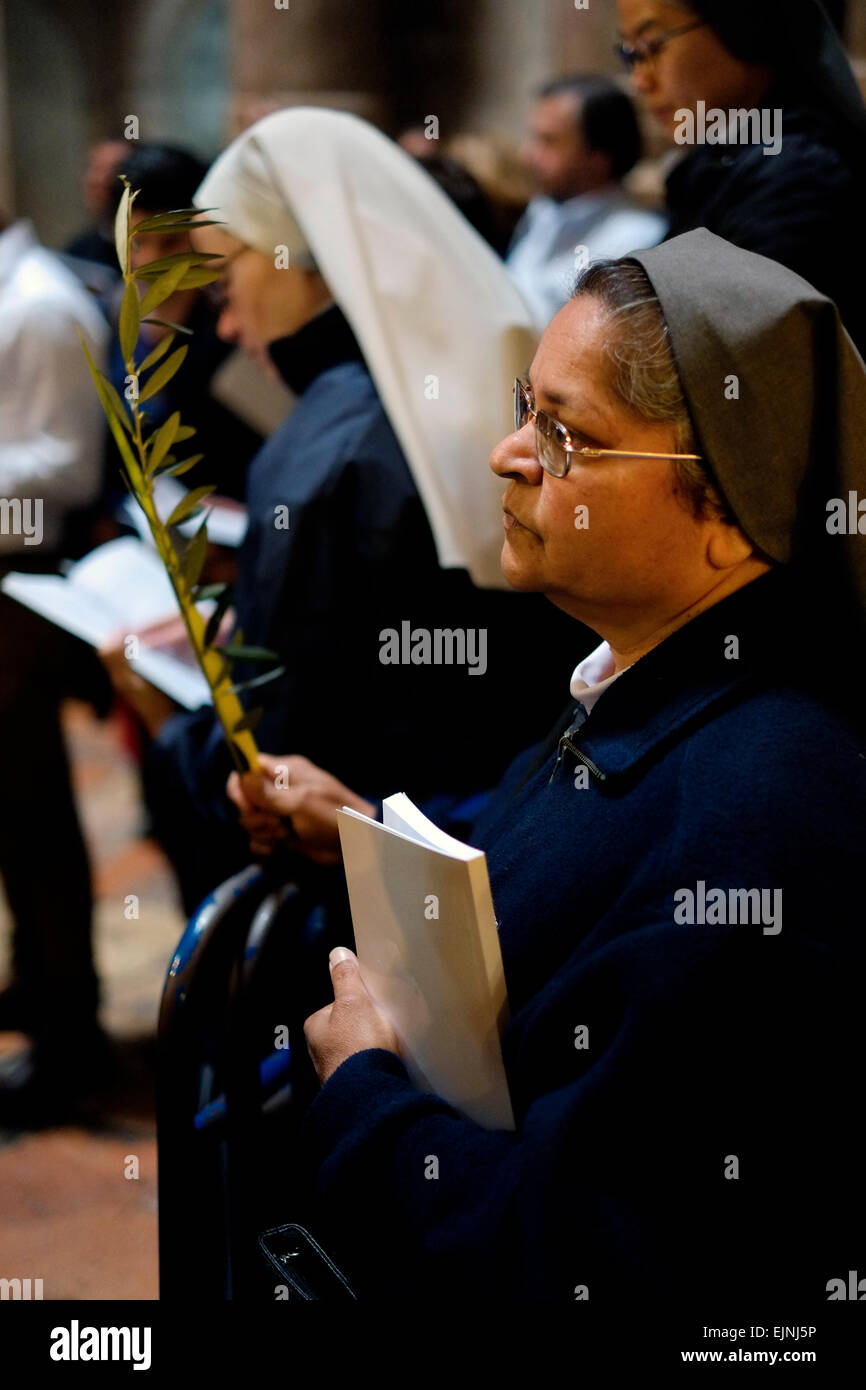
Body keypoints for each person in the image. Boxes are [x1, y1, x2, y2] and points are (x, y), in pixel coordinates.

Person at [229, 230, 866, 1305]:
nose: (506, 453)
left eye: (565, 435)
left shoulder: (751, 825)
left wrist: (366, 1092)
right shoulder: (654, 681)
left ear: (728, 514)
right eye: (528, 405)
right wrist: (367, 841)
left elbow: (582, 1260)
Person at [103, 109, 583, 915]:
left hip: (361, 883)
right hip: (516, 839)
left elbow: (286, 742)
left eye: (226, 282)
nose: (225, 320)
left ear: (309, 261)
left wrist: (178, 715)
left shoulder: (328, 439)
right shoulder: (489, 382)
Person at [0, 211, 114, 1126]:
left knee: (32, 812)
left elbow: (69, 469)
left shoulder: (42, 305)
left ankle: (69, 1029)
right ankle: (36, 983)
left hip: (24, 584)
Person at [616, 0, 866, 351]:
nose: (640, 80)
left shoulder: (802, 174)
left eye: (652, 46)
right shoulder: (716, 162)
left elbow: (718, 357)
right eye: (630, 54)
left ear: (742, 30)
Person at [506, 75, 666, 329]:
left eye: (548, 141)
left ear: (599, 156)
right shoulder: (543, 209)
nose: (527, 155)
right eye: (533, 137)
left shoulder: (639, 238)